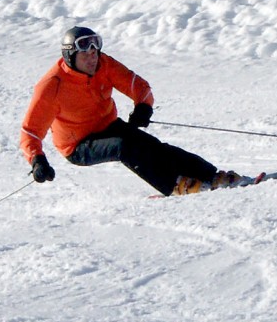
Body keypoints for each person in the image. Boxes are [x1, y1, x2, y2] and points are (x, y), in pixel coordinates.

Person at [20, 26, 242, 196]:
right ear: (70, 56)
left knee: (153, 147)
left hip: (108, 125)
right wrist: (37, 161)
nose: (92, 58)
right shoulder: (52, 86)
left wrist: (143, 107)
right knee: (125, 147)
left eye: (95, 52)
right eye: (85, 54)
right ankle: (174, 185)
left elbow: (138, 86)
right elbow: (30, 132)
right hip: (78, 145)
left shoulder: (104, 64)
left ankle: (212, 176)